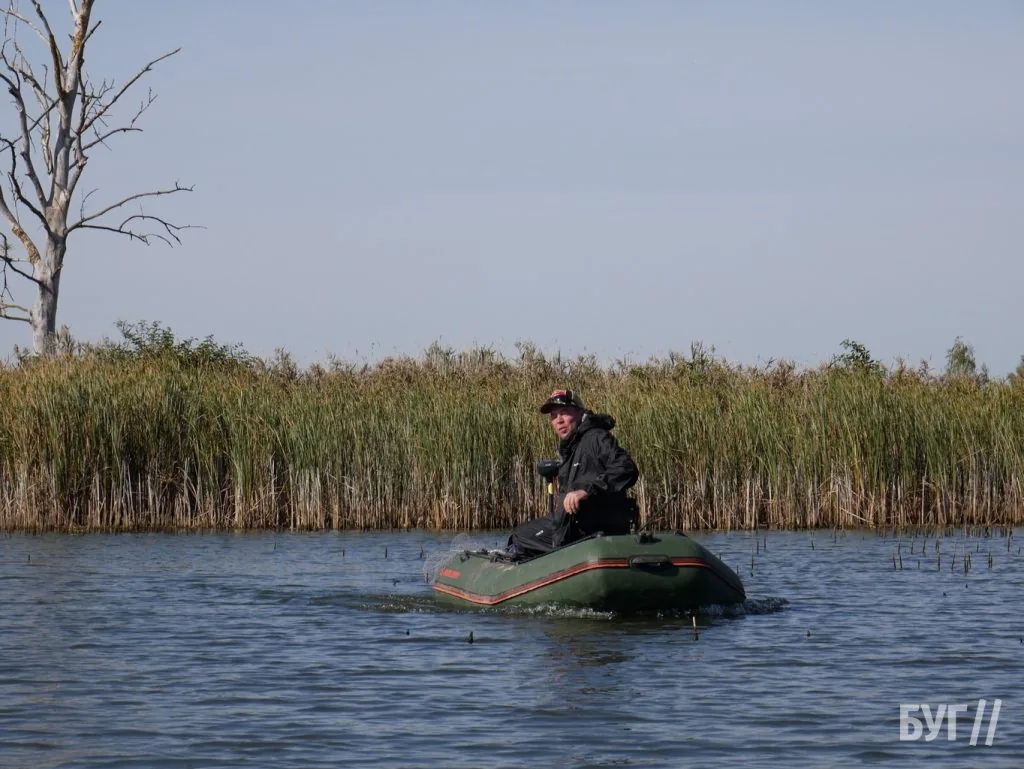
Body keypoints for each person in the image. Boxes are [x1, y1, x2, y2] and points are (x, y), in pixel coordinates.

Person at [507, 388, 640, 559]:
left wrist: (586, 490)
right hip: (572, 527)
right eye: (554, 417)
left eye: (564, 413)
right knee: (522, 534)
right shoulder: (571, 448)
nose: (559, 421)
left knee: (520, 537)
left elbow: (627, 468)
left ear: (580, 413)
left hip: (591, 528)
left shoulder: (596, 438)